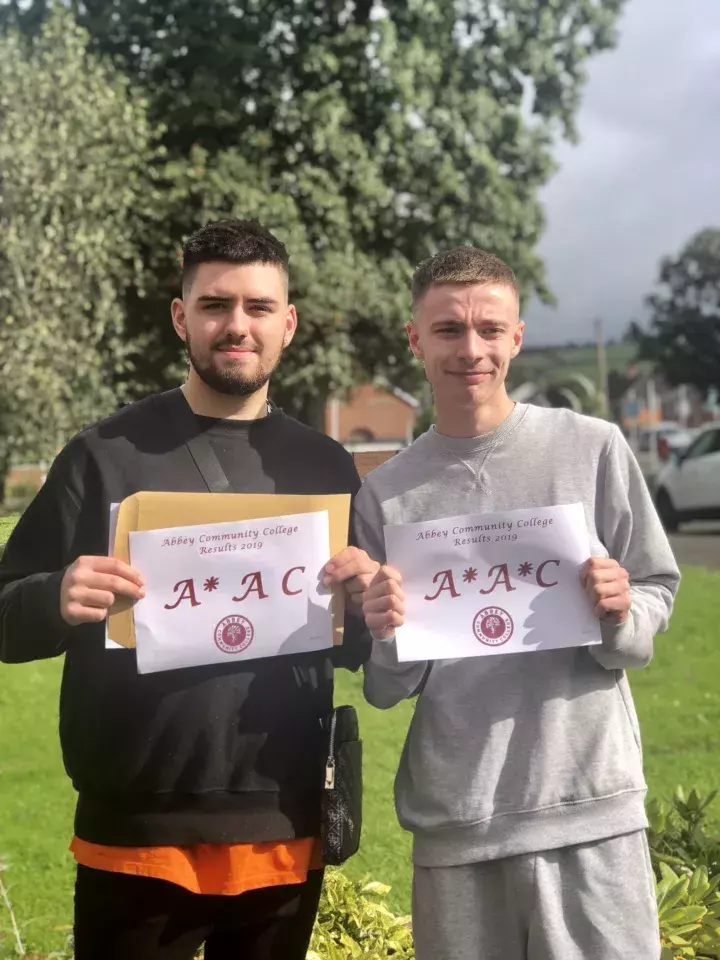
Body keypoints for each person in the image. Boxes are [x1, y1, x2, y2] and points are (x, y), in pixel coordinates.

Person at [0, 218, 378, 960]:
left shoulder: (326, 466)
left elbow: (352, 643)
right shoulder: (103, 456)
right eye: (215, 305)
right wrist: (55, 595)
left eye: (259, 308)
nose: (236, 325)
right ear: (182, 316)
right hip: (136, 832)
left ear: (288, 324)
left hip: (282, 821)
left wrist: (367, 606)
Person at [355, 245, 680, 960]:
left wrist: (623, 611)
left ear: (517, 337)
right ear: (415, 338)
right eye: (447, 330)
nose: (471, 349)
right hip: (458, 821)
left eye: (489, 329)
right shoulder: (385, 493)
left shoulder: (592, 449)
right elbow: (384, 685)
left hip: (590, 809)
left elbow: (657, 588)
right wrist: (385, 633)